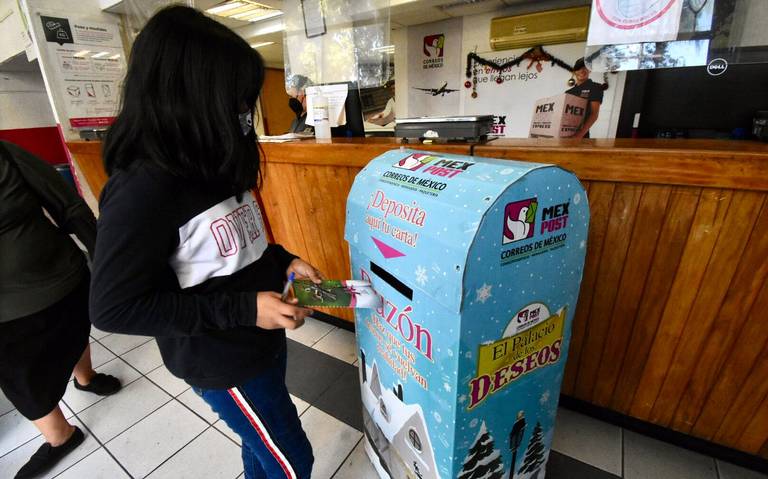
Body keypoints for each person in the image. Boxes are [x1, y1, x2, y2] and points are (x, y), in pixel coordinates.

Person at [90, 6, 321, 478]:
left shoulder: (213, 158)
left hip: (262, 343)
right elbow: (113, 308)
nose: (244, 116)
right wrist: (243, 310)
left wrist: (285, 261)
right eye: (236, 103)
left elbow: (236, 250)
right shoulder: (143, 189)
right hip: (222, 361)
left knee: (259, 446)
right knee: (292, 461)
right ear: (189, 98)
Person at [0, 141, 122, 479]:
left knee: (75, 328)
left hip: (61, 275)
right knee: (19, 375)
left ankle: (86, 377)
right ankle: (60, 436)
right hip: (6, 312)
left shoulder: (6, 154)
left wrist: (105, 260)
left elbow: (68, 205)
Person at [566, 57, 604, 139]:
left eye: (585, 68)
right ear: (574, 71)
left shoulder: (596, 87)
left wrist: (579, 135)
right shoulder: (568, 92)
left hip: (581, 136)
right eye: (578, 68)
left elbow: (594, 114)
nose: (582, 71)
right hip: (564, 133)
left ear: (590, 70)